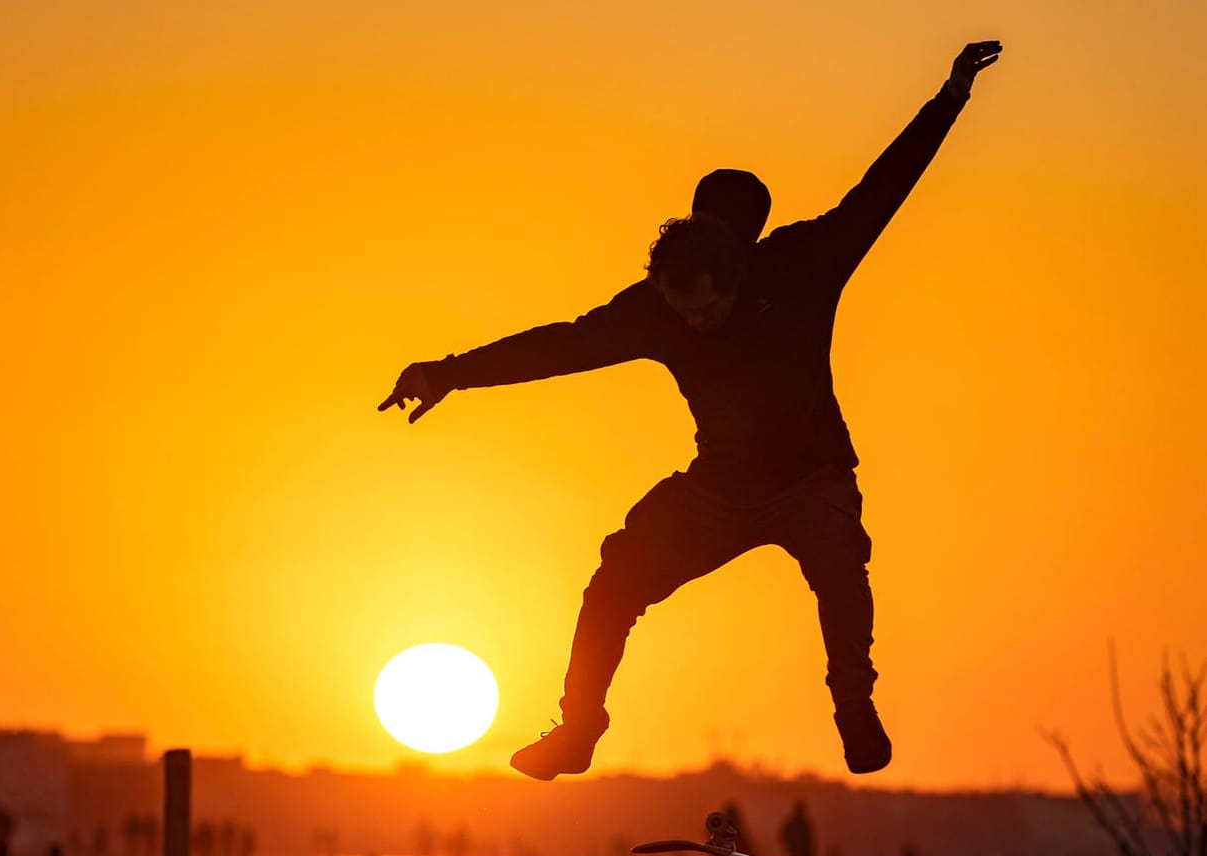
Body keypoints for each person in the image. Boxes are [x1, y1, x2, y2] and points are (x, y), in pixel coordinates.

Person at [379, 41, 1002, 780]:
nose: (695, 322)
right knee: (614, 579)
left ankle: (853, 707)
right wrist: (449, 373)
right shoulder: (655, 310)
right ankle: (577, 730)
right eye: (682, 308)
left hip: (812, 480)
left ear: (738, 274)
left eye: (707, 308)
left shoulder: (805, 266)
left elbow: (884, 187)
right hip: (721, 488)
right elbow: (559, 346)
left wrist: (951, 95)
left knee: (839, 564)